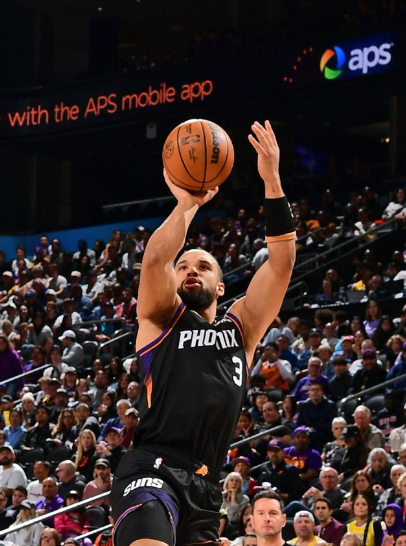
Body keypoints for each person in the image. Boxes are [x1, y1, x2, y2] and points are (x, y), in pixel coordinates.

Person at [110, 121, 296, 546]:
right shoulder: (160, 318)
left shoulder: (241, 328)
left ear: (222, 285)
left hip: (205, 484)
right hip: (151, 469)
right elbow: (156, 260)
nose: (191, 270)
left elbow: (281, 263)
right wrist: (188, 204)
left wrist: (272, 180)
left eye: (203, 266)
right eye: (184, 266)